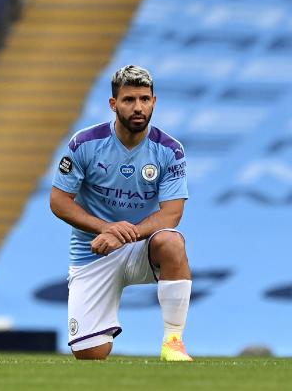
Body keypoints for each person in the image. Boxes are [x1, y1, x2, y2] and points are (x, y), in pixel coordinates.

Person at [50, 65, 193, 361]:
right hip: (93, 252)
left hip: (138, 247)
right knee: (90, 354)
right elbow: (59, 200)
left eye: (144, 99)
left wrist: (124, 234)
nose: (138, 107)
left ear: (154, 101)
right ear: (113, 104)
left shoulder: (169, 150)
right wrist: (105, 229)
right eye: (129, 100)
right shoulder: (84, 144)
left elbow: (171, 214)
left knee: (171, 241)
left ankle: (173, 342)